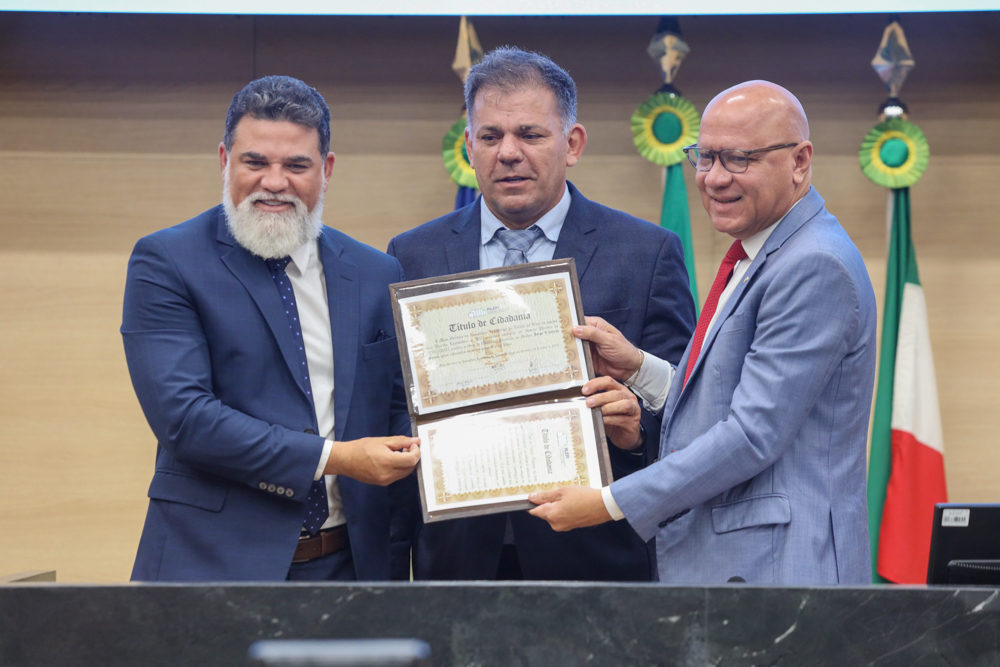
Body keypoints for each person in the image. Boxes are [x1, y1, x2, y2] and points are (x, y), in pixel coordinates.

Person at [528, 81, 878, 585]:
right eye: (705, 157)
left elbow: (751, 435)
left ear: (800, 161)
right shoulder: (762, 250)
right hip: (745, 570)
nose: (713, 179)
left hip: (783, 574)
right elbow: (723, 399)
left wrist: (607, 503)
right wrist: (638, 367)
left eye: (738, 159)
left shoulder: (813, 264)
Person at [387, 47, 696, 582]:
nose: (508, 153)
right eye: (490, 136)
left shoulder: (647, 253)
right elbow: (393, 404)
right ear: (469, 145)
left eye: (530, 135)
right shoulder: (412, 255)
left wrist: (635, 430)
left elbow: (690, 408)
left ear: (572, 144)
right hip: (457, 561)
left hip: (597, 557)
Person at [122, 76, 420, 582]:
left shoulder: (376, 273)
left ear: (325, 170)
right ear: (224, 161)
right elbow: (186, 420)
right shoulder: (167, 261)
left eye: (296, 165)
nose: (274, 182)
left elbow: (400, 411)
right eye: (255, 162)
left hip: (353, 569)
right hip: (210, 567)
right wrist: (336, 458)